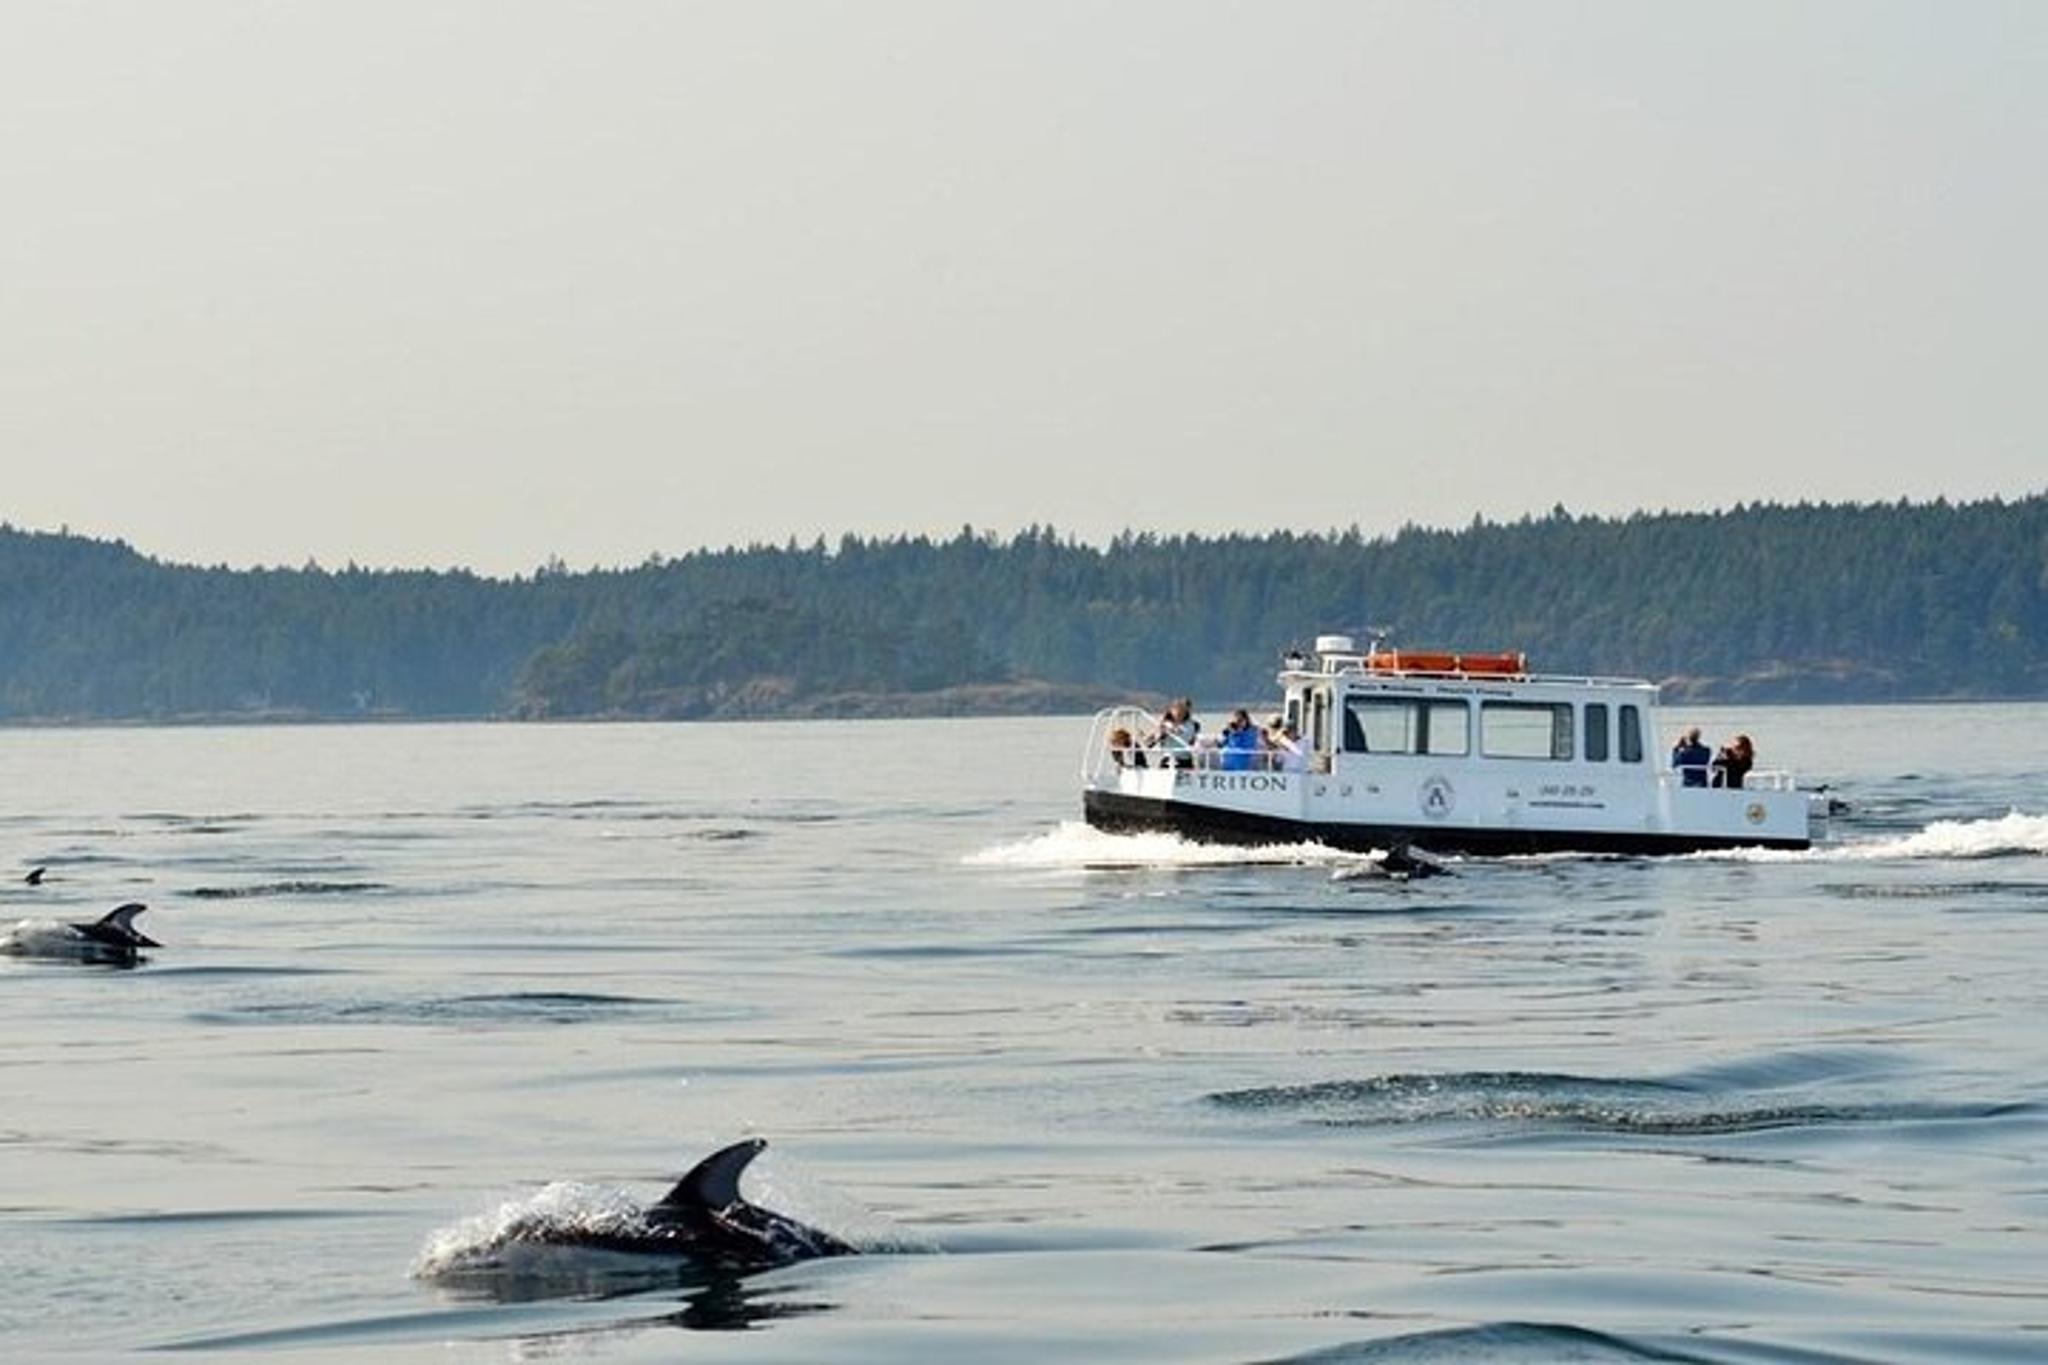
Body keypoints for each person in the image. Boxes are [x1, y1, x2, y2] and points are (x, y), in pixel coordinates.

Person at [1151, 698, 1199, 768]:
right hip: (1168, 759)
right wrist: (1161, 733)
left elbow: (1190, 740)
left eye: (1182, 710)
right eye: (1176, 709)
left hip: (1185, 760)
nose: (1179, 712)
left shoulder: (1191, 725)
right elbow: (1150, 742)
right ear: (1171, 711)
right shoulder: (1165, 724)